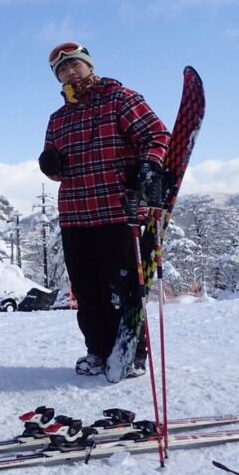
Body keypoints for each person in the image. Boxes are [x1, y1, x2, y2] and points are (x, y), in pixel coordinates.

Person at [40, 43, 168, 377]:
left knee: (122, 289)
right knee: (87, 290)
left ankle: (132, 353)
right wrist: (49, 165)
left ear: (88, 66)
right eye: (63, 69)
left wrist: (148, 166)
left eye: (74, 65)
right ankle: (97, 350)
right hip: (75, 215)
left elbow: (156, 135)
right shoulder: (58, 119)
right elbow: (57, 170)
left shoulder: (120, 98)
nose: (70, 71)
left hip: (117, 210)